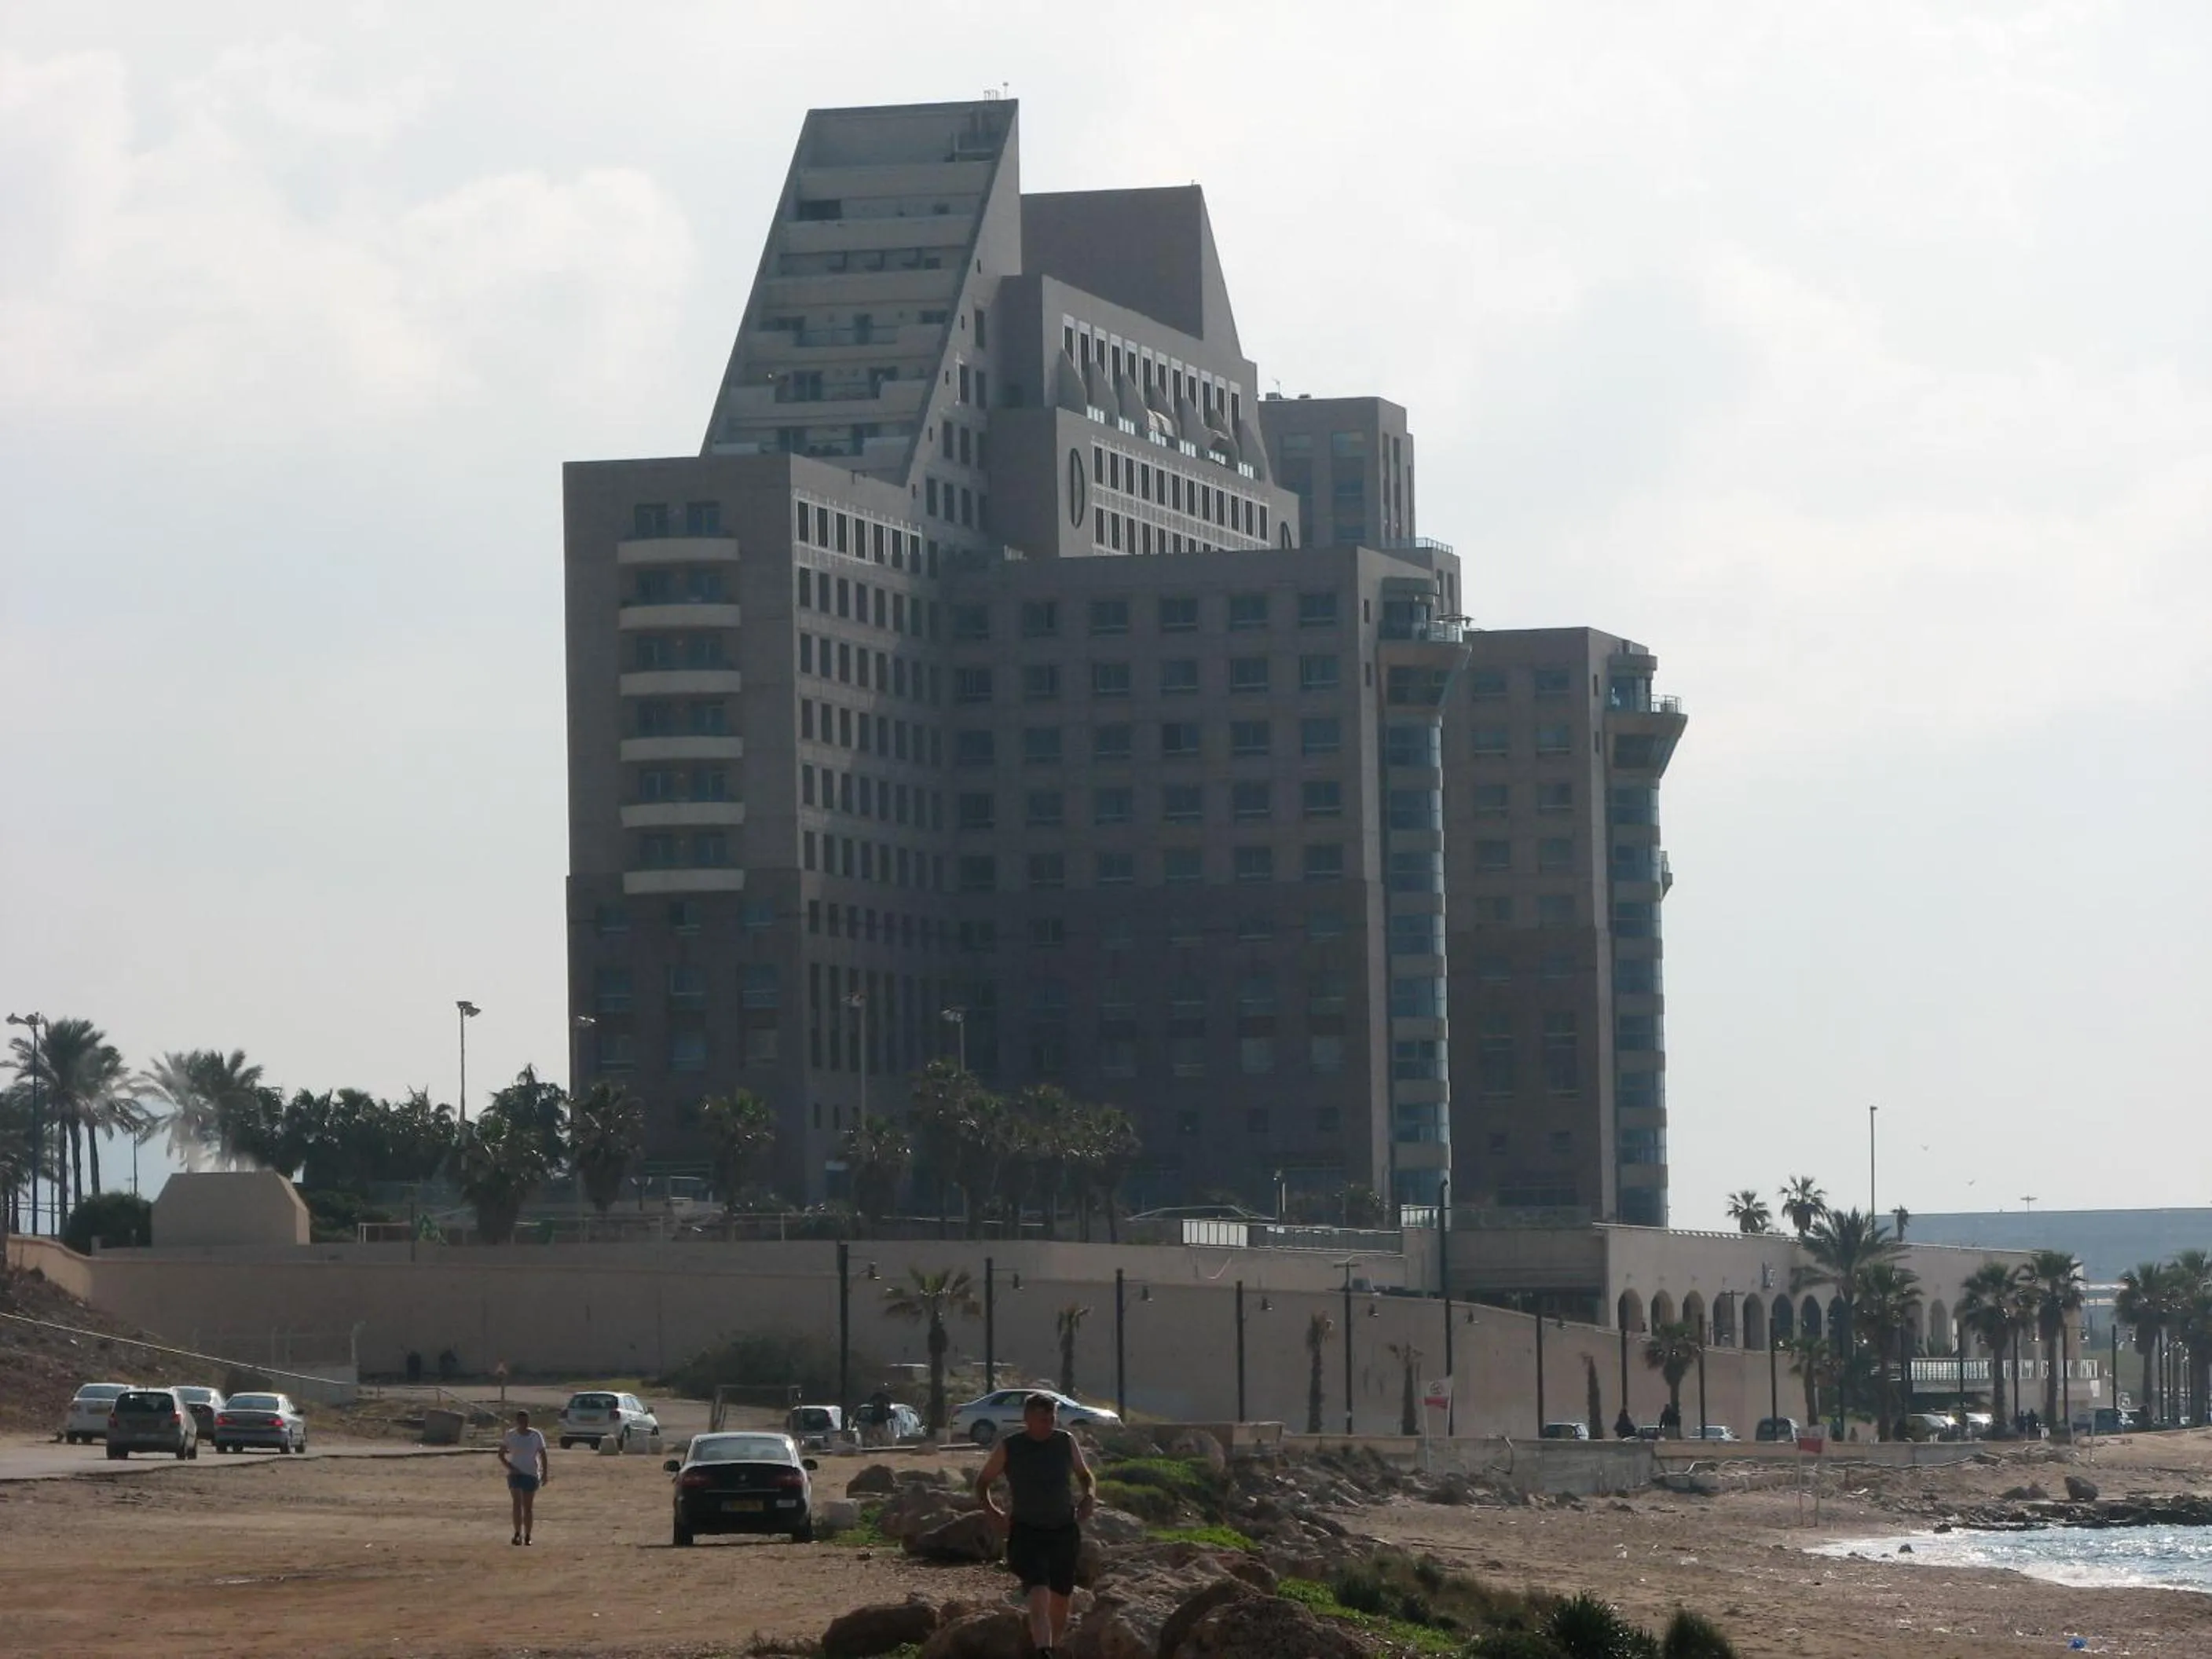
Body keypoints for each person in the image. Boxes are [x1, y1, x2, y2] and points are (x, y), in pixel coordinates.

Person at [976, 1393, 1097, 1659]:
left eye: (1053, 1417)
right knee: (1039, 1591)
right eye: (1044, 1418)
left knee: (1061, 1598)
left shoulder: (1065, 1442)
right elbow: (982, 1482)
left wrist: (1089, 1496)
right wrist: (992, 1511)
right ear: (1028, 1419)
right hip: (1027, 1531)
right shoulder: (1011, 1446)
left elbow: (1084, 1475)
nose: (1050, 1423)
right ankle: (1044, 1650)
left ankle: (1051, 1648)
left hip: (1064, 1529)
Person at [499, 1408, 550, 1545]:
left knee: (528, 1507)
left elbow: (543, 1454)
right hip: (516, 1474)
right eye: (521, 1421)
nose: (524, 1423)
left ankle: (528, 1535)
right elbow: (501, 1454)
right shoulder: (511, 1435)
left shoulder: (535, 1435)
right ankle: (517, 1533)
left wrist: (545, 1473)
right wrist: (510, 1467)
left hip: (531, 1473)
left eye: (526, 1421)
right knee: (516, 1503)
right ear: (517, 1421)